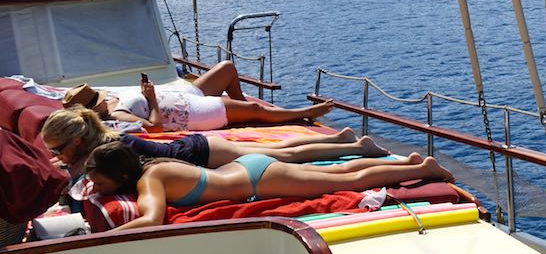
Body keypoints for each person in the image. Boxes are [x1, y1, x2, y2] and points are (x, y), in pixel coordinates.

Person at [85, 141, 454, 231]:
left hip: (257, 179)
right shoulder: (154, 166)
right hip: (245, 169)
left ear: (120, 177)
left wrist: (89, 241)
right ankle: (405, 163)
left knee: (351, 182)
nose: (94, 187)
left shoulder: (151, 179)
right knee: (337, 174)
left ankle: (427, 171)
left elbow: (150, 220)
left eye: (99, 182)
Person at [41, 107, 389, 177]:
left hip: (203, 154)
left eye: (57, 148)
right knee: (283, 151)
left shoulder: (109, 151)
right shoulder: (104, 141)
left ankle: (358, 148)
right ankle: (345, 141)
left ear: (76, 141)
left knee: (290, 155)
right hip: (200, 147)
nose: (57, 155)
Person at [62, 64, 334, 132]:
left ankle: (244, 116)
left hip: (183, 94)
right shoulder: (116, 115)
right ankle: (301, 114)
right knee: (253, 106)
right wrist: (151, 98)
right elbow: (155, 127)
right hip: (191, 112)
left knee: (226, 68)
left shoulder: (110, 97)